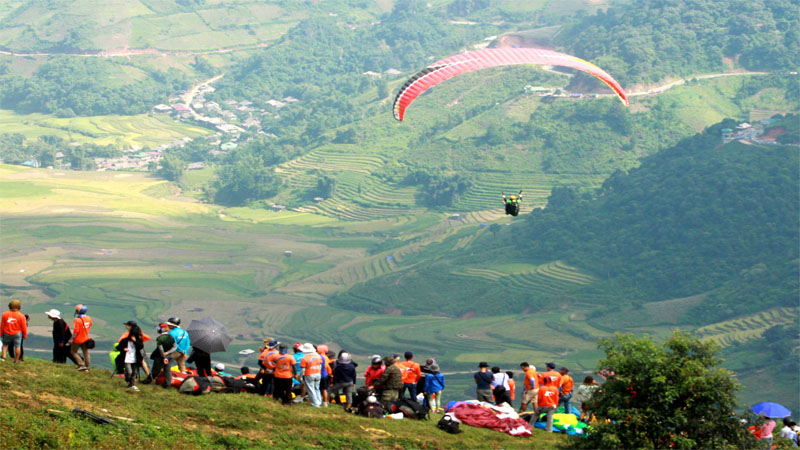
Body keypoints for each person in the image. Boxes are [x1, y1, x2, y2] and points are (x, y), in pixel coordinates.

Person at [144, 323, 175, 388]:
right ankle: (167, 385)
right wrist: (168, 352)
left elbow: (160, 349)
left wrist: (164, 356)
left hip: (160, 357)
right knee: (167, 370)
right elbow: (175, 347)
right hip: (170, 356)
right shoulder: (171, 337)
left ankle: (147, 381)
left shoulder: (160, 338)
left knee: (156, 370)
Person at [119, 321, 144, 391]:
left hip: (135, 357)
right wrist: (123, 349)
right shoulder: (126, 340)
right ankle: (130, 382)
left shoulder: (136, 339)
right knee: (130, 372)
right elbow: (119, 347)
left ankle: (131, 384)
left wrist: (135, 341)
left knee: (134, 372)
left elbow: (140, 346)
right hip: (128, 357)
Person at [299, 343, 323, 407]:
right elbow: (320, 365)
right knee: (317, 388)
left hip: (309, 374)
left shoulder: (305, 358)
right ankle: (319, 401)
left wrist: (301, 377)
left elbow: (302, 370)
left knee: (311, 389)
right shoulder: (318, 356)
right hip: (318, 373)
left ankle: (315, 403)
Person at [71, 304, 92, 371]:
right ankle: (87, 366)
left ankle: (81, 365)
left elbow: (75, 331)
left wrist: (70, 340)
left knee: (73, 351)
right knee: (86, 352)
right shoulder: (88, 318)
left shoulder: (77, 320)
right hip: (86, 338)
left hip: (78, 339)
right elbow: (90, 325)